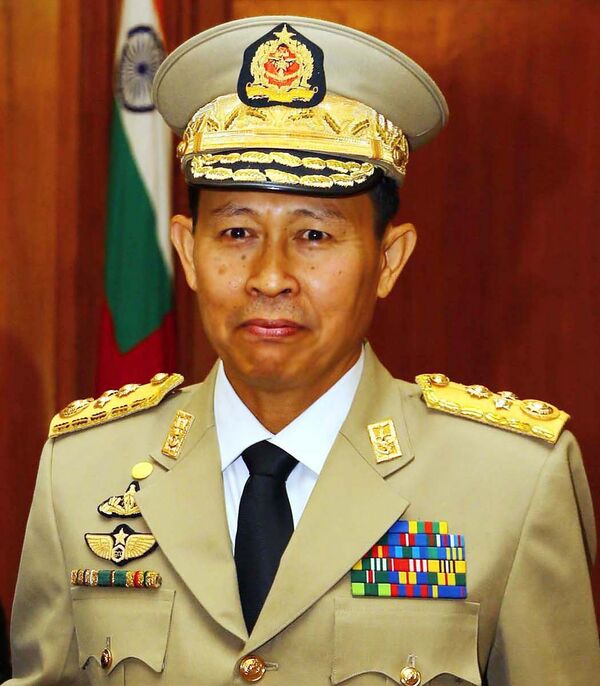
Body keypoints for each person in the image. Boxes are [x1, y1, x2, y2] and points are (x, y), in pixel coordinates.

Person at [8, 15, 599, 686]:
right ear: (187, 252)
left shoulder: (512, 485)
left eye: (314, 236)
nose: (270, 277)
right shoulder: (82, 471)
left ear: (389, 260)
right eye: (236, 232)